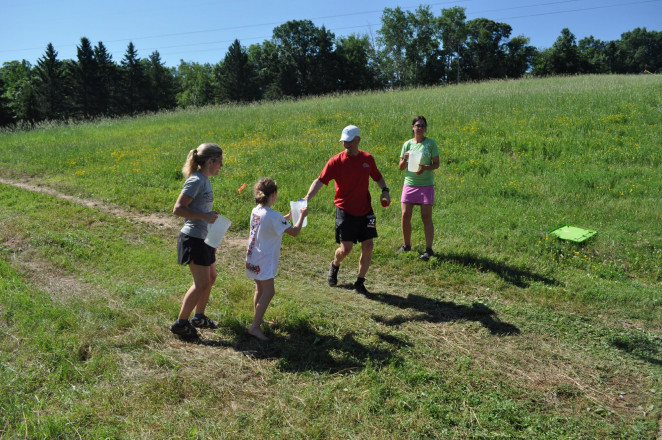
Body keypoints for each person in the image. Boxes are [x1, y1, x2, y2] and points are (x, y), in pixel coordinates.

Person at [304, 124, 390, 295]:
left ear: (358, 140)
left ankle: (359, 282)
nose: (346, 145)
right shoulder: (335, 161)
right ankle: (335, 265)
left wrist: (384, 190)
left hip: (365, 210)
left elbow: (378, 177)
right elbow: (320, 180)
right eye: (344, 141)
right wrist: (307, 197)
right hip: (345, 210)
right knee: (346, 249)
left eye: (349, 141)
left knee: (369, 246)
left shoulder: (367, 159)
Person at [170, 143, 224, 340]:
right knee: (200, 283)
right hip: (193, 238)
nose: (221, 165)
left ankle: (199, 317)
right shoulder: (196, 181)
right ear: (210, 161)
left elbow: (202, 212)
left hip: (204, 238)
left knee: (211, 278)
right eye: (219, 161)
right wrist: (204, 217)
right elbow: (178, 209)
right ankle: (180, 324)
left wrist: (212, 235)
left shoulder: (206, 180)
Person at [246, 178, 308, 340]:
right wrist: (302, 216)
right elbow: (294, 232)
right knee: (269, 291)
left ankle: (257, 319)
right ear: (273, 194)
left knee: (260, 289)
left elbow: (274, 223)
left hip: (253, 256)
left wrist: (286, 216)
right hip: (265, 259)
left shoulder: (256, 210)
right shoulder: (273, 216)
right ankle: (254, 327)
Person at [397, 116, 440, 261]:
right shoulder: (407, 144)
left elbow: (436, 164)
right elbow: (401, 167)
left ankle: (429, 249)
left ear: (425, 128)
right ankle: (406, 245)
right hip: (410, 183)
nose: (419, 128)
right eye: (417, 125)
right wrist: (406, 159)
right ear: (412, 127)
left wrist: (425, 167)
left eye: (422, 125)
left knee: (426, 216)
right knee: (405, 215)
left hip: (426, 185)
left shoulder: (431, 143)